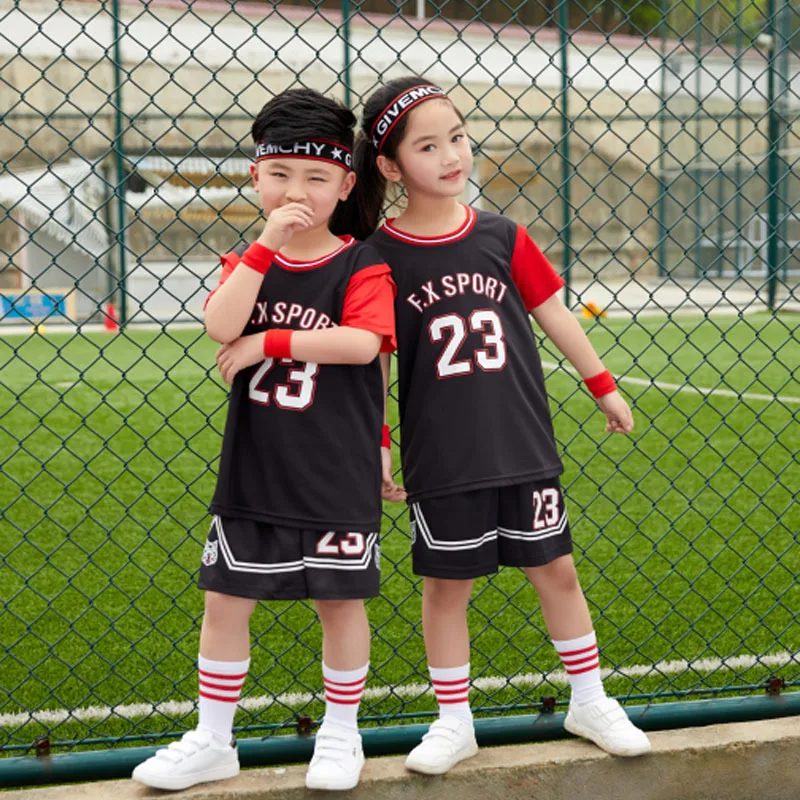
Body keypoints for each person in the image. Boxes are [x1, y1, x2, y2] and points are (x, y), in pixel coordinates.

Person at [351, 76, 651, 775]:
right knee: (445, 587)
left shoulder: (502, 235)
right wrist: (380, 443)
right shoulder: (379, 256)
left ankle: (590, 699)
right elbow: (374, 363)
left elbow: (554, 312)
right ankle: (454, 721)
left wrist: (602, 384)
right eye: (428, 146)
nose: (451, 155)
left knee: (557, 570)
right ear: (390, 165)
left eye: (457, 137)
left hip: (521, 443)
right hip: (443, 455)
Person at [132, 88, 397, 793]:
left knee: (340, 603)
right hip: (256, 468)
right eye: (279, 174)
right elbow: (221, 326)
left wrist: (269, 343)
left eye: (316, 177)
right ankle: (212, 737)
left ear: (346, 185)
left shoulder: (362, 264)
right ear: (255, 178)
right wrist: (266, 246)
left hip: (336, 467)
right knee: (225, 600)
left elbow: (362, 344)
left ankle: (340, 733)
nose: (296, 192)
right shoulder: (247, 262)